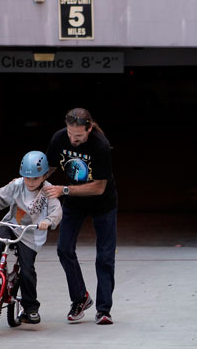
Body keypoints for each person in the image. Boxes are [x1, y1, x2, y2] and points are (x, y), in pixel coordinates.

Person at [44, 107, 118, 324]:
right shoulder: (59, 138)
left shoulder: (100, 145)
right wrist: (26, 181)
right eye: (70, 133)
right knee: (64, 249)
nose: (73, 139)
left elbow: (99, 187)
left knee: (105, 256)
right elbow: (48, 168)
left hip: (103, 204)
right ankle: (80, 298)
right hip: (75, 203)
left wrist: (63, 190)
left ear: (89, 129)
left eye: (78, 135)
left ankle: (104, 310)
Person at [0, 151, 62, 324]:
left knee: (27, 269)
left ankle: (30, 308)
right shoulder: (17, 185)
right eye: (27, 178)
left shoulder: (48, 191)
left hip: (31, 234)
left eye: (35, 179)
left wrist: (48, 221)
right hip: (12, 226)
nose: (30, 182)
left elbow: (56, 211)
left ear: (44, 176)